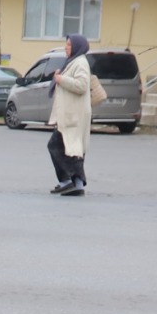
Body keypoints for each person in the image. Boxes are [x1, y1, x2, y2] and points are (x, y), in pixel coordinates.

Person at [46, 33, 104, 195]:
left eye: (69, 44)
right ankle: (73, 183)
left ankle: (71, 182)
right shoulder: (73, 62)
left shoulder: (80, 63)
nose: (66, 47)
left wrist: (60, 79)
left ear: (77, 47)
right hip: (70, 114)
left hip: (74, 115)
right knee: (71, 149)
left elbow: (81, 85)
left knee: (60, 147)